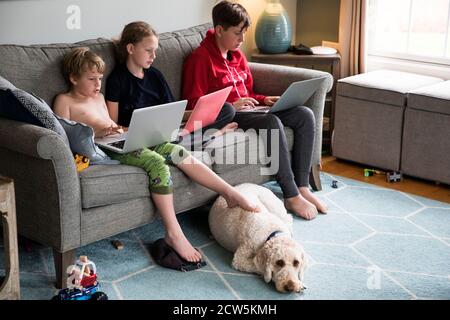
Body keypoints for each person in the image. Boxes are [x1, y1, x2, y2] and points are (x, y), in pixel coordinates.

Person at [54, 47, 259, 264]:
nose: (98, 84)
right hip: (102, 149)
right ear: (73, 78)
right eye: (91, 79)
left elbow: (113, 125)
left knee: (178, 150)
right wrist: (99, 132)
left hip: (121, 140)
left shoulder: (99, 97)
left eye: (100, 79)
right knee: (156, 162)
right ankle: (174, 233)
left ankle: (228, 192)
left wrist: (125, 130)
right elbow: (65, 137)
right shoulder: (64, 101)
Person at [182, 1, 328, 220]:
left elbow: (248, 91)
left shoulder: (237, 55)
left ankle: (303, 186)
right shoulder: (200, 59)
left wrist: (264, 99)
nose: (242, 40)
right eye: (237, 33)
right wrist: (233, 104)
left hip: (252, 110)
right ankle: (290, 194)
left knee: (303, 114)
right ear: (219, 30)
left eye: (244, 33)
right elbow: (194, 104)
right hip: (231, 114)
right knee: (272, 124)